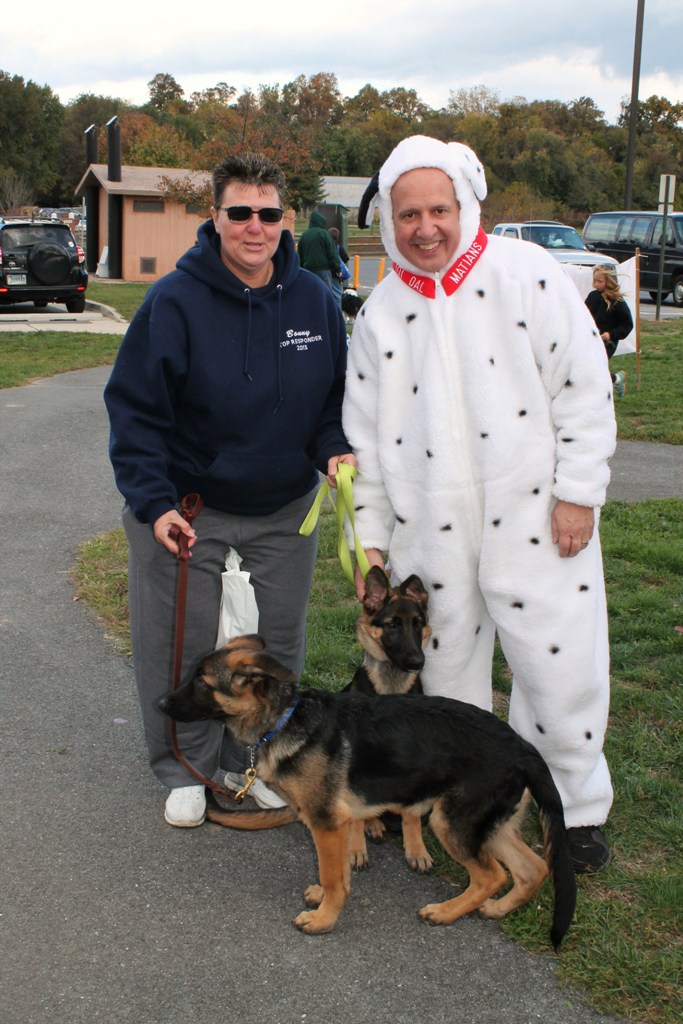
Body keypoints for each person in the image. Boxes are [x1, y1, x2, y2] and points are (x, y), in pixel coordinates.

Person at [342, 135, 617, 873]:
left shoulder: (528, 274)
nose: (424, 227)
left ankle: (573, 809)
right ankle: (461, 803)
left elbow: (583, 386)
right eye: (408, 214)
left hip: (537, 514)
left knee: (558, 665)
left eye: (438, 209)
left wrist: (578, 492)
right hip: (426, 530)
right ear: (390, 218)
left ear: (465, 203)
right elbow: (363, 439)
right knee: (445, 674)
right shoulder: (380, 312)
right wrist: (370, 540)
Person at [104, 152, 355, 828]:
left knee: (276, 651)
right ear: (214, 217)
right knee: (181, 647)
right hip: (190, 507)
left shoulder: (315, 301)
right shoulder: (173, 301)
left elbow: (334, 402)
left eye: (267, 214)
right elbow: (135, 412)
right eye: (239, 212)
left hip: (284, 506)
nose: (254, 227)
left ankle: (259, 765)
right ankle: (186, 769)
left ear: (286, 219)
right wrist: (154, 503)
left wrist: (333, 447)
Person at [585, 266, 634, 397]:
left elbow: (627, 324)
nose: (595, 284)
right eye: (594, 281)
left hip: (608, 343)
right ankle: (616, 379)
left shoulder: (617, 301)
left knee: (596, 368)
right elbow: (584, 315)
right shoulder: (592, 296)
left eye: (599, 281)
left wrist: (610, 334)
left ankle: (608, 387)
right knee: (588, 367)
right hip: (591, 339)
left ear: (609, 281)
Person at [297, 209, 342, 296]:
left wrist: (300, 268)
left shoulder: (304, 235)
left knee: (309, 294)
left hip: (307, 270)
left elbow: (299, 255)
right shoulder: (324, 234)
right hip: (323, 270)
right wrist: (338, 268)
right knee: (325, 295)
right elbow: (332, 253)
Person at [328, 226, 350, 308]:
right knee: (337, 296)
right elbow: (346, 258)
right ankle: (338, 313)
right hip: (337, 275)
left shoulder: (326, 247)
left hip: (327, 274)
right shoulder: (338, 247)